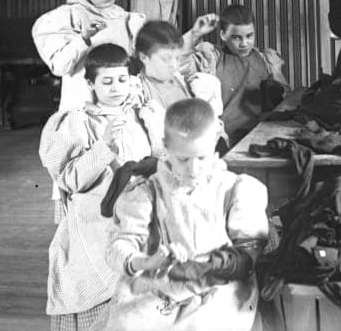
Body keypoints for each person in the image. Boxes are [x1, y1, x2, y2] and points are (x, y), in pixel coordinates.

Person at [99, 99, 268, 331]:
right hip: (156, 294)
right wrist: (147, 261)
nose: (193, 169)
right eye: (182, 159)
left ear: (215, 144)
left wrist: (210, 265)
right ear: (165, 147)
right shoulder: (146, 192)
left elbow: (248, 255)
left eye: (202, 158)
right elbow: (118, 246)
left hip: (218, 295)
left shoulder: (235, 189)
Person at [38, 44, 154, 331]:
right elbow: (70, 179)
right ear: (91, 83)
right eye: (107, 81)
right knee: (103, 287)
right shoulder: (78, 121)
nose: (116, 88)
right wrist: (103, 146)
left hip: (139, 219)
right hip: (96, 221)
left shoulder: (142, 115)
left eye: (122, 79)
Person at [32, 0, 217, 112]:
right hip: (83, 108)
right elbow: (59, 66)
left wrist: (194, 34)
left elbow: (158, 55)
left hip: (122, 106)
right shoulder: (66, 17)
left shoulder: (128, 19)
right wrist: (83, 39)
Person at [184, 4, 288, 144]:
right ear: (223, 35)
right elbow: (178, 64)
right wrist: (195, 33)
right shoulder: (211, 59)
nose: (244, 43)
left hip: (261, 136)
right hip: (222, 140)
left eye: (249, 36)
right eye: (236, 38)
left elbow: (285, 99)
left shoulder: (266, 60)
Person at [131, 21, 223, 157]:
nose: (173, 65)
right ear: (144, 57)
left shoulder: (185, 82)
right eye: (166, 59)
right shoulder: (139, 91)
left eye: (177, 58)